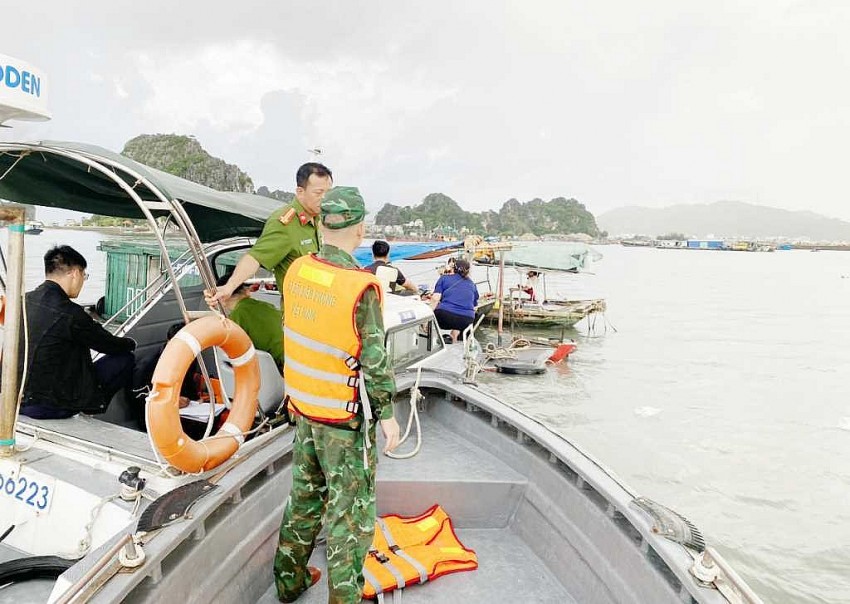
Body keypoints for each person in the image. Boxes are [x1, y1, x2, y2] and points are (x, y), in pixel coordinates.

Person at [274, 186, 401, 603]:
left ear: (322, 223)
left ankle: (289, 583)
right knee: (350, 518)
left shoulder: (296, 272)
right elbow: (375, 362)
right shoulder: (360, 287)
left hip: (305, 411)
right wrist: (388, 416)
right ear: (361, 228)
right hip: (344, 424)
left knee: (304, 500)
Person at [19, 245, 136, 420]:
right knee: (125, 358)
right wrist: (131, 343)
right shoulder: (71, 313)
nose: (83, 281)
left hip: (16, 399)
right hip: (51, 406)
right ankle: (90, 408)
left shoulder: (22, 300)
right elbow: (110, 345)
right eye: (84, 275)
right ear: (75, 273)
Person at [205, 162, 332, 307]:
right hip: (299, 313)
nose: (324, 198)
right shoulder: (285, 224)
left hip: (319, 308)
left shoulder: (317, 218)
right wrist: (230, 287)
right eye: (318, 193)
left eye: (328, 193)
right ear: (300, 192)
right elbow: (255, 257)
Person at [215, 273, 284, 369]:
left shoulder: (237, 315)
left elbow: (232, 351)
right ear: (247, 291)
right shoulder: (268, 306)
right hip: (289, 358)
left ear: (222, 297)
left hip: (275, 367)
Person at [430, 258, 479, 342]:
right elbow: (474, 305)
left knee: (431, 322)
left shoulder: (444, 278)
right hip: (466, 320)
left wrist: (426, 320)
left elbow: (435, 299)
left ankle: (432, 340)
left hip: (444, 316)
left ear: (453, 268)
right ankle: (454, 338)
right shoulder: (472, 284)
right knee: (458, 321)